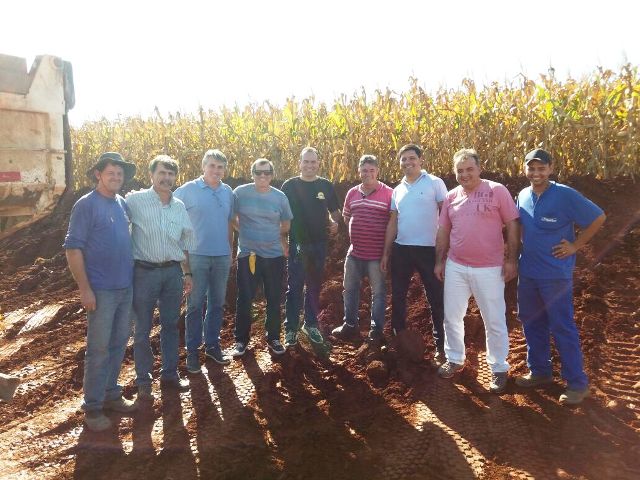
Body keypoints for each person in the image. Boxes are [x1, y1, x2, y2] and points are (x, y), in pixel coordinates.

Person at [515, 148, 605, 405]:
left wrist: (576, 246)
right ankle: (540, 371)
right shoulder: (522, 195)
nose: (536, 173)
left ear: (551, 169)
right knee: (531, 322)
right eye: (531, 168)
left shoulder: (565, 195)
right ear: (525, 170)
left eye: (541, 168)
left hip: (555, 275)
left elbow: (598, 217)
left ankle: (577, 383)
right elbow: (520, 227)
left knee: (562, 326)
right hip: (528, 272)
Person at [434, 148, 520, 394]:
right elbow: (443, 231)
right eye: (460, 171)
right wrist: (440, 261)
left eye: (469, 169)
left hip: (489, 268)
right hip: (457, 266)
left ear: (479, 169)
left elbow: (513, 225)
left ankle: (499, 367)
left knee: (493, 319)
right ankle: (454, 358)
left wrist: (511, 259)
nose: (465, 174)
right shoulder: (451, 197)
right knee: (452, 316)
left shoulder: (497, 191)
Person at [64, 152, 138, 432]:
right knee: (98, 350)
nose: (116, 177)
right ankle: (93, 408)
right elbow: (73, 249)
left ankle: (111, 394)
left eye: (120, 174)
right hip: (101, 290)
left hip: (124, 287)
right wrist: (85, 289)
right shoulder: (86, 205)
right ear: (98, 174)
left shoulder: (121, 203)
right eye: (111, 173)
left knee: (119, 344)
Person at [126, 155, 195, 400]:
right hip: (144, 272)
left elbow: (185, 242)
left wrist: (187, 272)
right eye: (162, 173)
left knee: (170, 326)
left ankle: (170, 375)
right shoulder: (135, 200)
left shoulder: (178, 206)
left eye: (170, 174)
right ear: (151, 175)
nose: (166, 178)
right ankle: (144, 381)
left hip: (172, 273)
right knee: (142, 329)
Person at [381, 144, 447, 361]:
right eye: (404, 159)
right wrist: (386, 252)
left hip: (428, 249)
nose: (408, 163)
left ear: (421, 160)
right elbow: (393, 223)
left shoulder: (435, 183)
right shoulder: (397, 190)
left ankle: (441, 346)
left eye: (412, 158)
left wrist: (445, 250)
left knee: (435, 297)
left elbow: (446, 217)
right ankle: (398, 338)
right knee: (398, 295)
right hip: (402, 250)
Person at [174, 149, 235, 372]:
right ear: (203, 166)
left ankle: (212, 346)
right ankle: (192, 353)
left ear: (224, 170)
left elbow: (230, 223)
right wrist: (184, 260)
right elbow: (172, 217)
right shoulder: (186, 191)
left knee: (217, 304)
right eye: (212, 166)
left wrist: (230, 250)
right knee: (195, 305)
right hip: (196, 256)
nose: (215, 171)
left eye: (220, 167)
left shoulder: (228, 192)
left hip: (221, 256)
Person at [229, 159, 293, 357]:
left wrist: (272, 235)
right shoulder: (240, 193)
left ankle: (273, 337)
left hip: (274, 256)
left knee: (274, 298)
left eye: (266, 173)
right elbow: (232, 219)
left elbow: (286, 224)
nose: (262, 176)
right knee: (245, 298)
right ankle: (241, 340)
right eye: (258, 172)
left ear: (272, 174)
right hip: (249, 255)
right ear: (252, 173)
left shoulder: (280, 197)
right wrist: (246, 230)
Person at [281, 147, 340, 348]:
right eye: (306, 162)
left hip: (319, 243)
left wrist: (334, 222)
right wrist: (282, 240)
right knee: (295, 286)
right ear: (300, 163)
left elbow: (335, 212)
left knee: (314, 285)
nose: (309, 165)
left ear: (318, 164)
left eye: (313, 162)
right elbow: (281, 214)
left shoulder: (325, 185)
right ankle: (291, 328)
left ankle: (311, 324)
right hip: (298, 243)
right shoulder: (289, 186)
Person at [332, 155, 393, 341]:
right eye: (364, 170)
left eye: (371, 170)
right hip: (355, 253)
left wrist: (386, 254)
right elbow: (346, 217)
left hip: (376, 255)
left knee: (379, 293)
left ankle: (376, 330)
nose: (368, 174)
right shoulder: (352, 193)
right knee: (349, 290)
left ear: (378, 172)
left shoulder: (389, 194)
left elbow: (393, 223)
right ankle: (350, 325)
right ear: (359, 171)